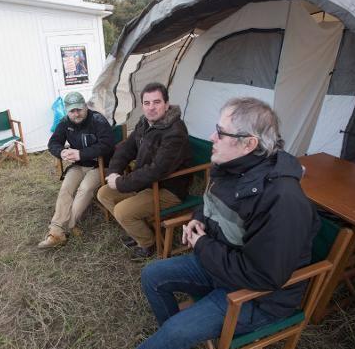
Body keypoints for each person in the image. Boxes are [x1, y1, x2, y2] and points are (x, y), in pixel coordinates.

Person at [137, 97, 320, 349]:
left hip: (257, 297)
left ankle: (174, 337)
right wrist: (197, 220)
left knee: (174, 332)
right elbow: (210, 203)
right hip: (222, 266)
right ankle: (176, 339)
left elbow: (264, 277)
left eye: (221, 133)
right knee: (152, 275)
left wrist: (201, 244)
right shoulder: (230, 167)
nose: (212, 136)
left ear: (249, 143)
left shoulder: (281, 199)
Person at [96, 82, 191, 260]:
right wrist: (113, 172)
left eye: (157, 102)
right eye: (147, 103)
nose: (151, 108)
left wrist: (121, 183)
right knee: (104, 194)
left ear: (167, 104)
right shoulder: (144, 123)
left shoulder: (175, 132)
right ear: (142, 105)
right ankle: (139, 230)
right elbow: (126, 148)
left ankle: (148, 242)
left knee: (123, 211)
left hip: (168, 189)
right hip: (146, 183)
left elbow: (157, 170)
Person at [38, 91, 114, 248]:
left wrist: (81, 153)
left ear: (85, 107)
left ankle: (64, 230)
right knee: (66, 188)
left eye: (79, 109)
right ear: (67, 111)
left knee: (85, 189)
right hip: (79, 165)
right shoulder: (65, 122)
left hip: (99, 165)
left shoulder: (98, 120)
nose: (76, 114)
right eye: (72, 111)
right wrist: (62, 152)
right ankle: (56, 230)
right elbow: (53, 143)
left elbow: (107, 145)